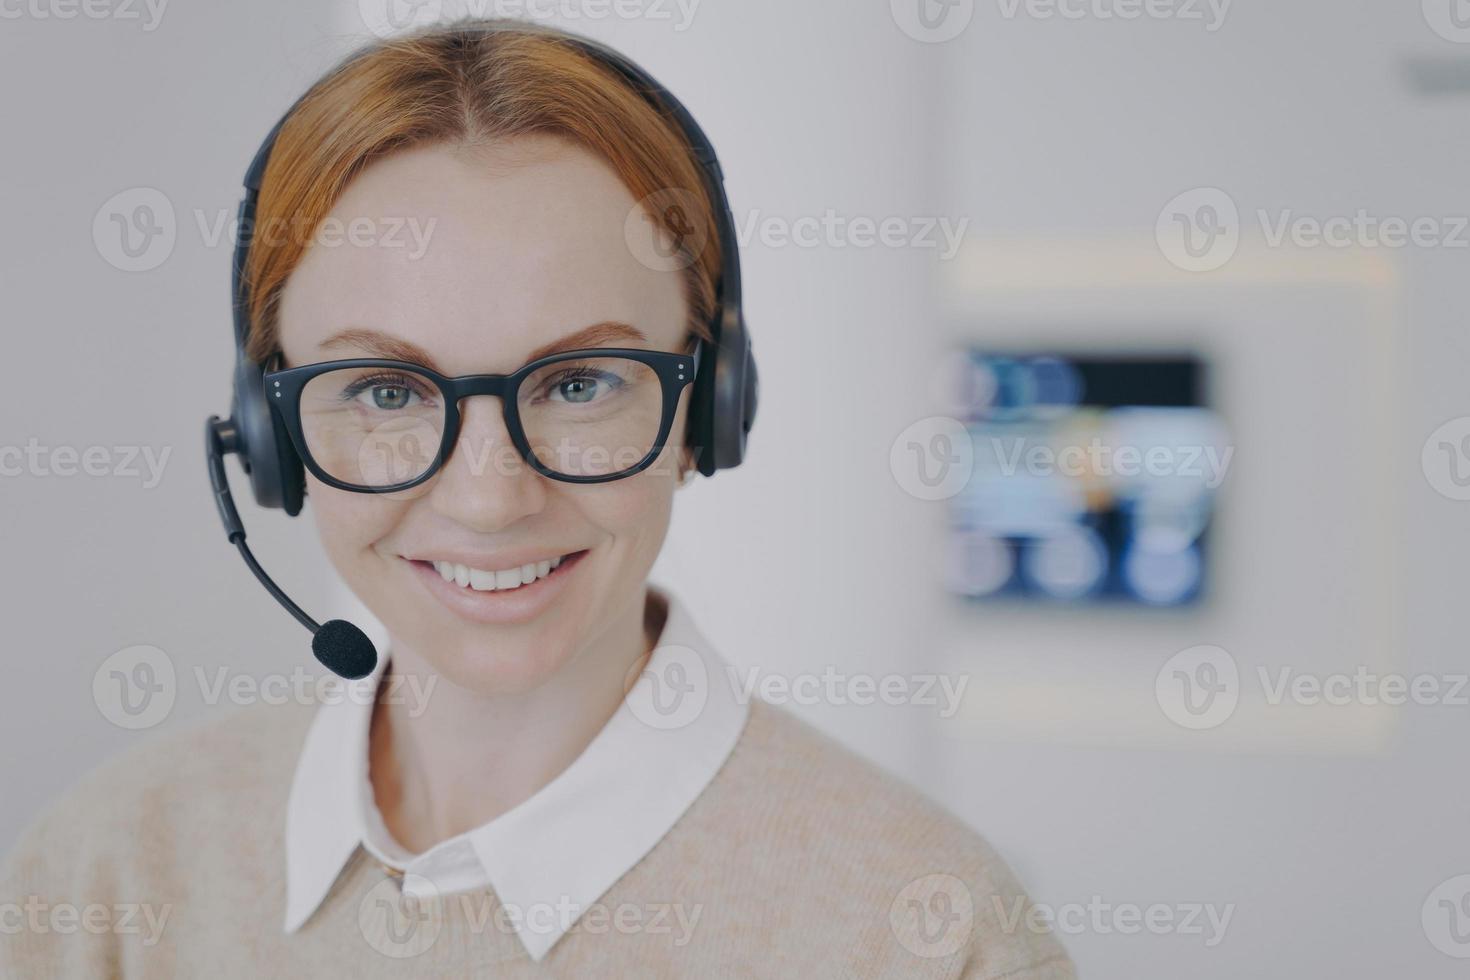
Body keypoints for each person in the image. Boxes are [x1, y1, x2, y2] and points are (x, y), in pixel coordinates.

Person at [0, 20, 1075, 978]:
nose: (490, 496)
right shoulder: (107, 876)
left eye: (577, 384)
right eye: (384, 389)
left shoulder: (925, 930)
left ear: (711, 411)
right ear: (268, 433)